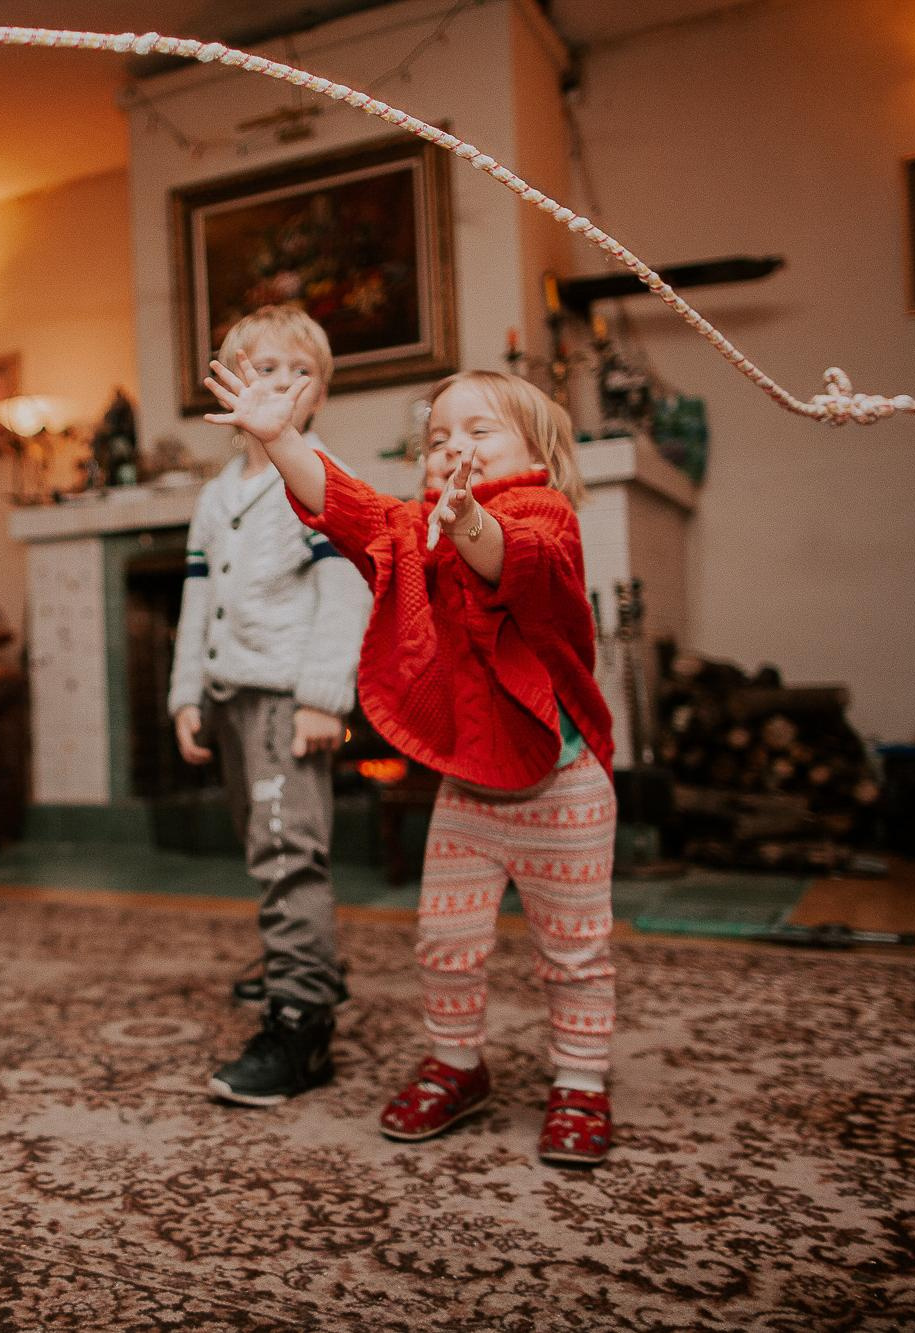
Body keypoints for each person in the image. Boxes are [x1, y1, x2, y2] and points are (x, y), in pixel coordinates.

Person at [203, 359, 619, 1166]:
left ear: (538, 452)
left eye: (479, 430)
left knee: (573, 947)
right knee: (444, 940)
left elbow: (518, 558)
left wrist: (467, 520)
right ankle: (457, 1063)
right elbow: (349, 509)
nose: (452, 446)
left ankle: (579, 1080)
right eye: (438, 437)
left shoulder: (546, 513)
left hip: (563, 784)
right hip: (470, 788)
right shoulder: (417, 525)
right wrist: (282, 439)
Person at [169, 305, 372, 1107]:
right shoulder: (218, 494)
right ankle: (304, 962)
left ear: (319, 394)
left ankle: (301, 1019)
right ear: (230, 384)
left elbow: (346, 588)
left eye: (299, 371)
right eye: (264, 367)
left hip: (289, 698)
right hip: (230, 696)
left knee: (290, 852)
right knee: (263, 842)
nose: (282, 383)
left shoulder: (316, 476)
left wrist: (322, 696)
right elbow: (197, 597)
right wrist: (187, 691)